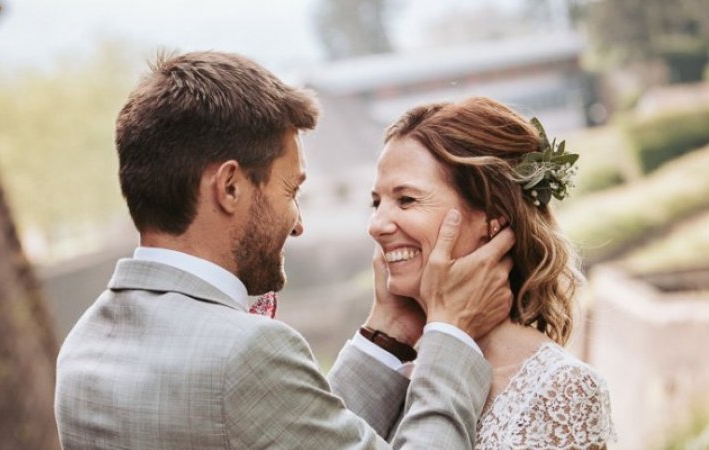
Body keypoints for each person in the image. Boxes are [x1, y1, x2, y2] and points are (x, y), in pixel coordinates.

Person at [54, 51, 517, 449]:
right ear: (230, 187)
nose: (297, 223)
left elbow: (285, 430)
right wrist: (450, 333)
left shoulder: (84, 348)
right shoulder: (243, 353)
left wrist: (387, 334)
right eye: (290, 191)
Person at [369, 96, 616, 449]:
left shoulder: (560, 389)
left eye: (406, 199)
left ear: (492, 215)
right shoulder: (391, 381)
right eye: (376, 202)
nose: (375, 225)